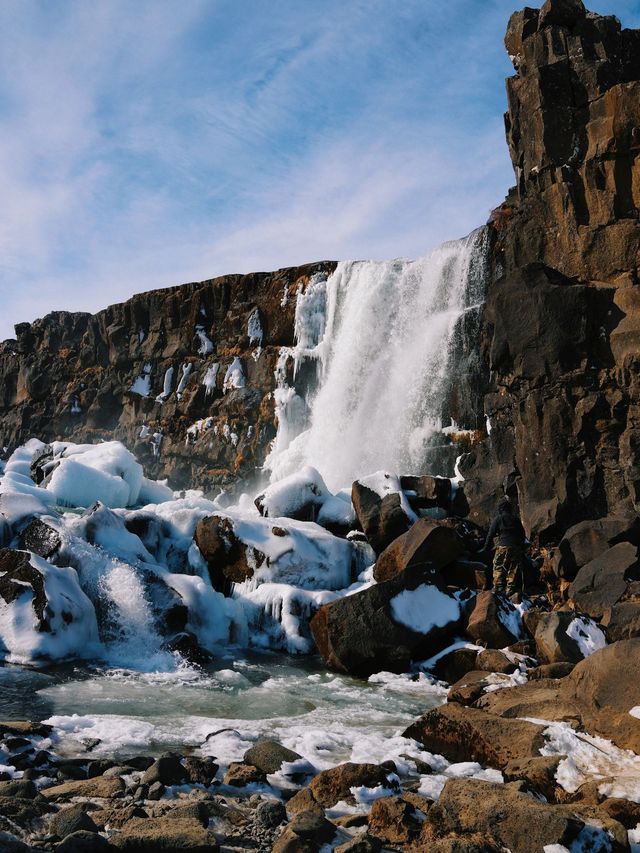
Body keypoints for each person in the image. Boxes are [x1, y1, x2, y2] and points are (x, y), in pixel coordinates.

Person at [482, 496, 527, 598]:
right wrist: (521, 547)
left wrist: (486, 548)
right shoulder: (516, 519)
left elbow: (490, 534)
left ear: (501, 509)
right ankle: (510, 589)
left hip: (503, 546)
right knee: (513, 568)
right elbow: (522, 534)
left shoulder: (499, 519)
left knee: (498, 566)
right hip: (515, 547)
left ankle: (498, 588)